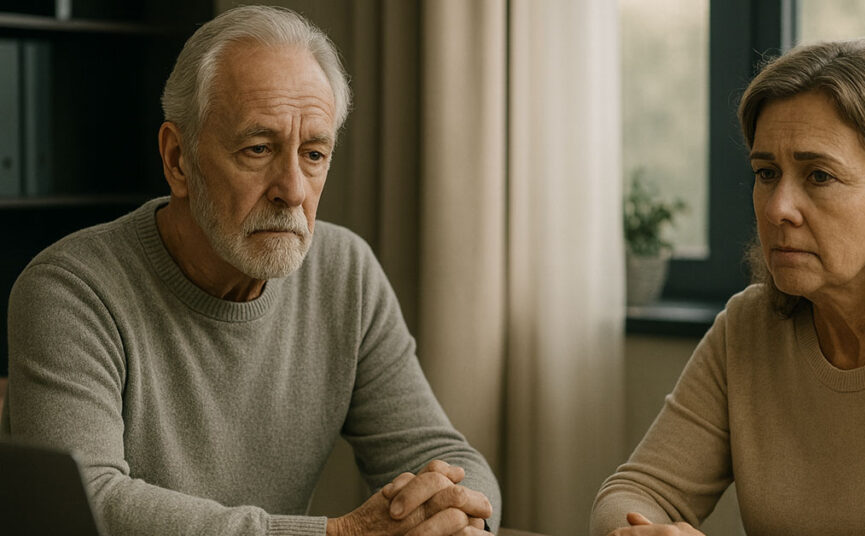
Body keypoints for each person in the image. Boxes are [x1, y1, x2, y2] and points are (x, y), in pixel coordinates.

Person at [1, 6, 500, 536]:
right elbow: (91, 505)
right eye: (258, 148)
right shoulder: (68, 290)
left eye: (313, 153)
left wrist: (454, 516)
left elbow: (440, 451)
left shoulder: (345, 271)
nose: (292, 190)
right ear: (178, 159)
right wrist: (337, 534)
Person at [592, 38, 865, 536]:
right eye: (766, 173)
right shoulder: (748, 325)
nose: (777, 208)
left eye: (818, 175)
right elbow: (634, 492)